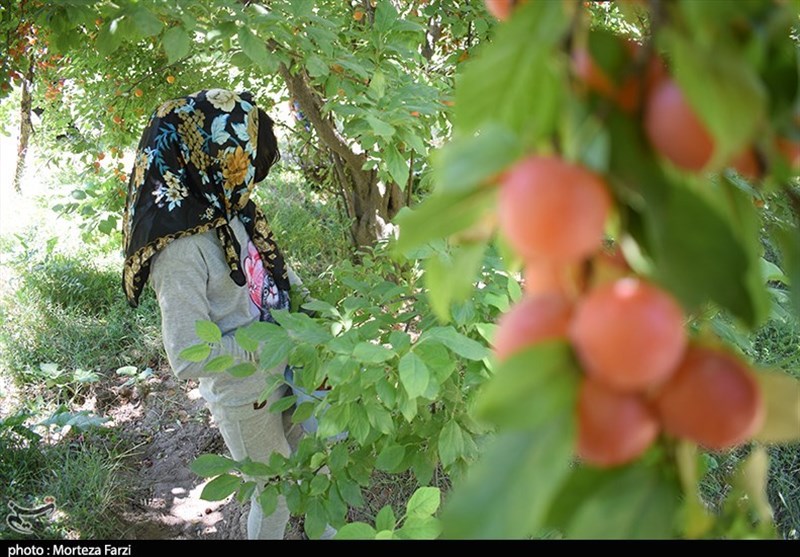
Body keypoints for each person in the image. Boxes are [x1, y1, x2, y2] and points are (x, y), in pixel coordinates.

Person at [122, 89, 303, 540]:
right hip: (246, 393)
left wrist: (310, 311)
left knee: (303, 468)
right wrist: (265, 344)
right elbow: (186, 355)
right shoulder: (181, 252)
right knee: (274, 490)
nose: (251, 176)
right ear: (207, 157)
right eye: (243, 160)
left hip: (290, 365)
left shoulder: (228, 207)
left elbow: (272, 269)